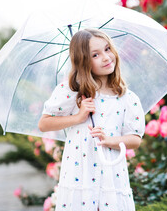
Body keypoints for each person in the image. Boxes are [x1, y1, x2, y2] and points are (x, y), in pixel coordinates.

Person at [38, 29, 145, 211]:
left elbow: (135, 139)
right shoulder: (73, 90)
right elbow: (44, 123)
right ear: (84, 62)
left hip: (112, 173)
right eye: (95, 55)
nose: (105, 57)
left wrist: (112, 141)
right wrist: (78, 117)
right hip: (80, 171)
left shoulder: (127, 97)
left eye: (107, 49)